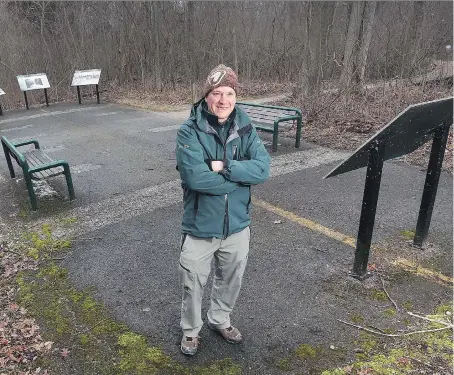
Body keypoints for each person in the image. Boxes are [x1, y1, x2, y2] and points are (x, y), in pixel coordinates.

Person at [175, 64, 271, 355]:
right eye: (217, 93)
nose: (223, 100)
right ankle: (190, 331)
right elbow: (195, 177)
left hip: (237, 225)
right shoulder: (188, 131)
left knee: (231, 279)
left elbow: (263, 169)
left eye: (229, 93)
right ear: (206, 96)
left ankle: (220, 319)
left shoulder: (246, 127)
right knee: (192, 282)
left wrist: (225, 166)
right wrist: (240, 180)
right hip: (200, 225)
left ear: (235, 96)